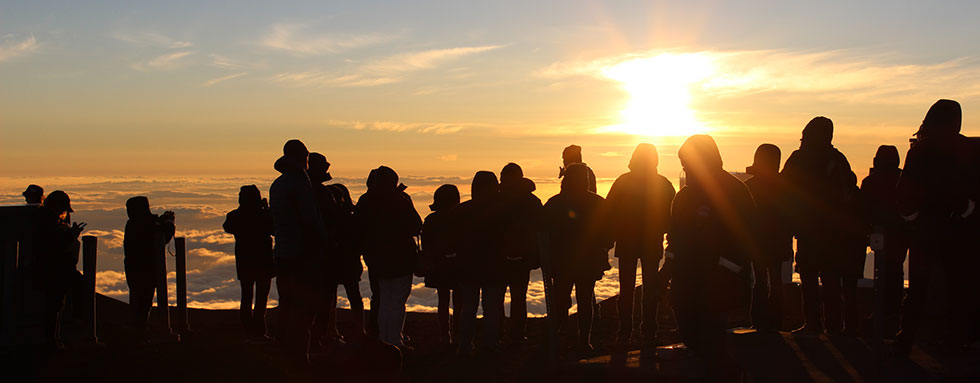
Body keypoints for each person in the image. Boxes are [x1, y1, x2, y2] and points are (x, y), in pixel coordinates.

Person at [659, 135, 753, 381]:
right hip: (686, 281)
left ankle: (728, 374)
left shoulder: (735, 192)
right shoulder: (684, 197)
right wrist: (667, 271)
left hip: (718, 283)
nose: (685, 169)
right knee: (690, 335)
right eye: (683, 164)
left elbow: (746, 239)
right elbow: (675, 239)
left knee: (712, 336)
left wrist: (726, 272)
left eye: (688, 163)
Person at [896, 99, 980, 353]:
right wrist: (968, 210)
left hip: (927, 228)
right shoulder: (969, 148)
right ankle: (958, 339)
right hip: (960, 229)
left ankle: (906, 338)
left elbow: (906, 192)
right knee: (959, 285)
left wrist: (910, 217)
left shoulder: (920, 150)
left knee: (918, 287)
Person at [780, 117, 860, 335]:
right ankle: (832, 326)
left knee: (810, 278)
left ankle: (815, 324)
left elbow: (782, 189)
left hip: (809, 230)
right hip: (831, 233)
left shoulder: (799, 158)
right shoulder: (837, 159)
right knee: (829, 279)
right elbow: (848, 194)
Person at [605, 143, 675, 346]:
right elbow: (672, 216)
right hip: (651, 240)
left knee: (626, 289)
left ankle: (625, 331)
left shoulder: (623, 181)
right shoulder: (663, 183)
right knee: (650, 287)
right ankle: (649, 330)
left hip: (627, 240)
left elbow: (609, 210)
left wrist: (609, 237)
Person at [269, 139, 327, 369]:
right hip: (303, 255)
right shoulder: (300, 184)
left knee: (287, 304)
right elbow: (310, 220)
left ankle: (285, 352)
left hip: (283, 254)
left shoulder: (278, 184)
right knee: (304, 307)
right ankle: (300, 355)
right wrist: (324, 241)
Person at [543, 163, 612, 352]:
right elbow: (609, 232)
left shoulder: (554, 203)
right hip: (588, 261)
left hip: (562, 261)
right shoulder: (598, 203)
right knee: (584, 299)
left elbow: (543, 231)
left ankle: (557, 335)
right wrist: (603, 247)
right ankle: (583, 339)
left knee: (560, 298)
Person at [355, 166, 422, 349]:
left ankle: (383, 338)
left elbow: (359, 228)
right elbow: (416, 225)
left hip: (377, 259)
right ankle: (394, 339)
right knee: (398, 301)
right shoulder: (400, 200)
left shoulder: (366, 200)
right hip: (401, 258)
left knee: (384, 299)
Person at [453, 171, 505, 355]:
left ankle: (465, 344)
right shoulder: (501, 210)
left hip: (468, 267)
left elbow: (455, 239)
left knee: (468, 308)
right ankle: (490, 343)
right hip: (494, 266)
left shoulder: (462, 210)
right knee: (491, 307)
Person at [744, 144, 793, 332]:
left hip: (756, 241)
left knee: (760, 281)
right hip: (778, 241)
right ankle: (775, 322)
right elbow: (790, 216)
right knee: (775, 280)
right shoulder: (785, 188)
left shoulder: (749, 187)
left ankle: (758, 321)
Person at [859, 145, 907, 337]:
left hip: (879, 234)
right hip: (900, 235)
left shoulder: (871, 182)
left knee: (883, 273)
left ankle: (882, 314)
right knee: (895, 272)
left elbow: (863, 210)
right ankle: (892, 315)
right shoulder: (902, 180)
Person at [32, 190, 85, 350]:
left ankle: (54, 338)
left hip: (53, 269)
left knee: (55, 305)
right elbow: (53, 246)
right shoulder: (47, 222)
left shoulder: (46, 220)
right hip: (52, 270)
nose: (63, 213)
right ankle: (51, 340)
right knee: (53, 305)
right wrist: (71, 235)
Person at [222, 185, 275, 340]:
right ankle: (259, 331)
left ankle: (248, 330)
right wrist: (266, 209)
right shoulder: (263, 215)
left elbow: (228, 227)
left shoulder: (235, 216)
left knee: (246, 297)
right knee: (261, 299)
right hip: (264, 262)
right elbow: (274, 229)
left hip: (245, 261)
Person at [123, 196, 175, 336]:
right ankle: (140, 331)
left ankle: (138, 330)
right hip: (146, 270)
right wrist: (169, 223)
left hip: (133, 269)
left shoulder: (132, 224)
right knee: (144, 302)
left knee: (140, 301)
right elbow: (162, 238)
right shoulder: (147, 224)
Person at [420, 184, 461, 344]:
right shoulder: (460, 217)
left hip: (438, 266)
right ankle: (458, 334)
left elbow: (426, 244)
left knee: (443, 300)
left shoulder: (431, 220)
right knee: (459, 301)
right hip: (458, 265)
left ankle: (445, 335)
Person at [327, 183, 366, 341]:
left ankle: (330, 329)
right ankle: (359, 329)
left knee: (330, 296)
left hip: (332, 261)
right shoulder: (352, 218)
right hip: (350, 261)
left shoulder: (327, 218)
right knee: (354, 295)